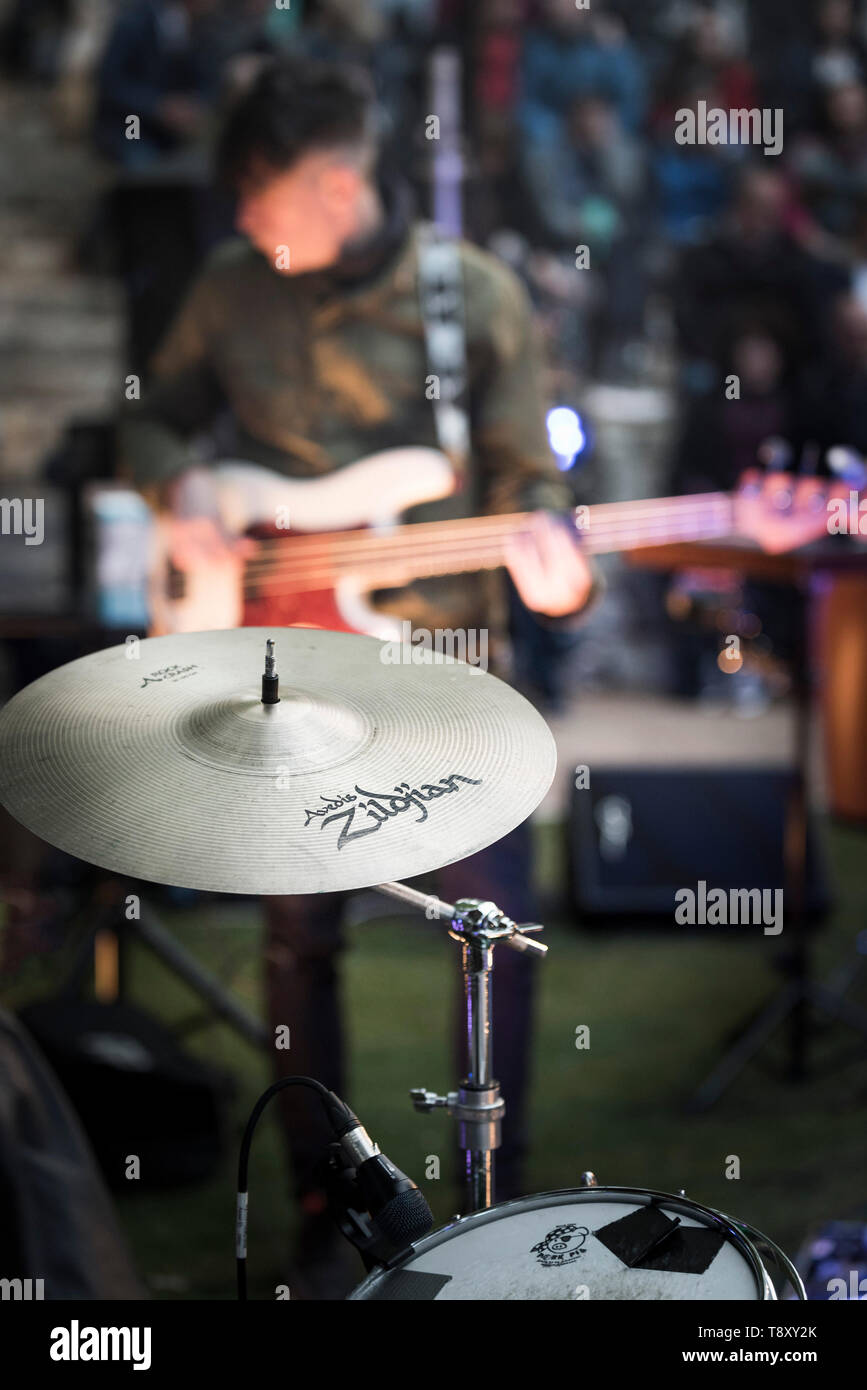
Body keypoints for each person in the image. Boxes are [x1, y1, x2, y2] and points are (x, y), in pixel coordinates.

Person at [119, 57, 596, 1296]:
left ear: (336, 184)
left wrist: (548, 537)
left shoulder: (475, 296)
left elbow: (524, 478)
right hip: (289, 677)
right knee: (297, 944)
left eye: (260, 198)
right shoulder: (230, 291)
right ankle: (325, 1209)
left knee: (495, 932)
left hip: (448, 682)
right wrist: (184, 490)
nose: (240, 224)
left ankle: (504, 1204)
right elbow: (150, 414)